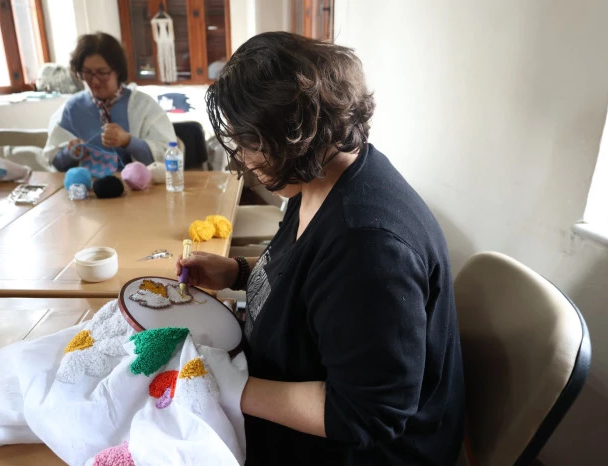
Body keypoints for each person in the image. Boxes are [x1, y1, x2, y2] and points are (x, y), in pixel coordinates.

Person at [176, 32, 465, 465]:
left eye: (250, 144)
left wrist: (226, 386)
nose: (244, 160)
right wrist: (237, 271)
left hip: (362, 451)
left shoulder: (368, 246)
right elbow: (311, 277)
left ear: (294, 135)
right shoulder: (319, 177)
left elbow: (366, 413)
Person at [42, 32, 176, 175]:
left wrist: (127, 141)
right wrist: (70, 154)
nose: (94, 81)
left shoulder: (143, 106)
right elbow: (55, 163)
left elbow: (167, 158)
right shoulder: (72, 108)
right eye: (87, 72)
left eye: (102, 72)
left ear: (117, 70)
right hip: (87, 187)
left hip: (138, 186)